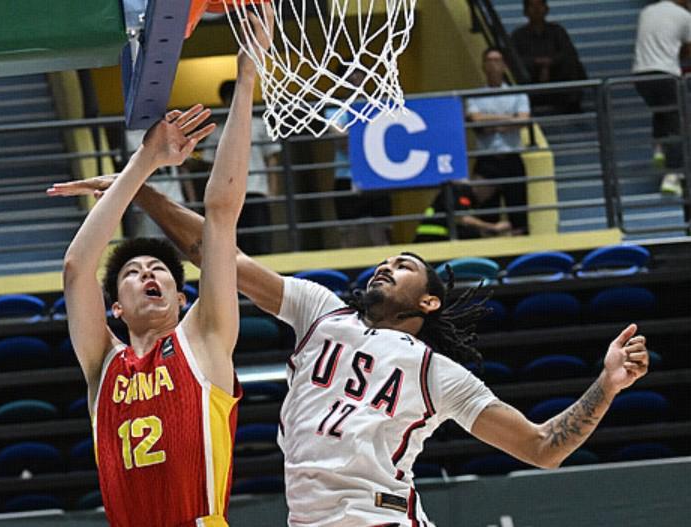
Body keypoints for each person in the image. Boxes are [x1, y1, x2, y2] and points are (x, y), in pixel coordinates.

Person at [50, 185, 649, 526]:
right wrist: (139, 190)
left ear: (429, 301)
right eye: (385, 261)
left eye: (403, 266)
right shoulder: (320, 310)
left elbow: (542, 448)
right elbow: (217, 253)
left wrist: (607, 385)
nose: (386, 266)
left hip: (379, 516)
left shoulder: (437, 374)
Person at [48, 10, 272, 526]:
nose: (148, 274)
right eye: (133, 273)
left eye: (158, 270)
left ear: (182, 297)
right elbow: (77, 267)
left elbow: (221, 213)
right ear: (116, 309)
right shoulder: (103, 363)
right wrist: (144, 161)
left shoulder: (205, 338)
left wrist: (246, 77)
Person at [199, 79, 281, 254]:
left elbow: (272, 159)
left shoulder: (260, 125)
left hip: (257, 189)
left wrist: (272, 189)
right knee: (237, 242)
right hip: (228, 193)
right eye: (230, 98)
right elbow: (210, 167)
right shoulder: (217, 132)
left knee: (261, 240)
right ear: (225, 101)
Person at [326, 66, 392, 248]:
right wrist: (370, 138)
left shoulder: (378, 106)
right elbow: (342, 141)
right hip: (347, 177)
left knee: (381, 233)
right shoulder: (335, 109)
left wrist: (357, 136)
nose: (354, 79)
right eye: (348, 75)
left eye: (358, 74)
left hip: (376, 176)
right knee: (349, 234)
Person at [466, 47, 531, 235]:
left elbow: (523, 120)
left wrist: (491, 122)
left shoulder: (517, 94)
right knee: (486, 214)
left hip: (511, 157)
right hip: (487, 160)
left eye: (497, 60)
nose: (493, 65)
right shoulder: (475, 95)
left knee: (519, 213)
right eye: (489, 61)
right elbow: (477, 120)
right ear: (483, 66)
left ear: (504, 65)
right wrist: (509, 119)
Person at [632, 0, 691, 197]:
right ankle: (673, 175)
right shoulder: (684, 16)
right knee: (676, 123)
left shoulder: (647, 11)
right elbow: (688, 51)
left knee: (661, 109)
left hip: (640, 75)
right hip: (666, 74)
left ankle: (659, 147)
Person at [511, 0, 587, 115]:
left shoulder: (557, 30)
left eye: (540, 5)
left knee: (571, 63)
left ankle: (572, 106)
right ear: (525, 11)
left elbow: (569, 53)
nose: (536, 9)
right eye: (532, 6)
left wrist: (549, 63)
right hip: (532, 82)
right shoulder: (518, 35)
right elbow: (515, 59)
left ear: (546, 9)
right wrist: (538, 63)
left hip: (557, 80)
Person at [413, 176, 512, 242]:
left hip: (442, 239)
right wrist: (493, 227)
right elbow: (462, 218)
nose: (489, 194)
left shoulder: (473, 200)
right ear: (481, 184)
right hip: (432, 238)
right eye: (490, 189)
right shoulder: (460, 190)